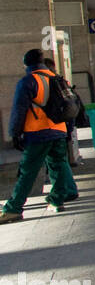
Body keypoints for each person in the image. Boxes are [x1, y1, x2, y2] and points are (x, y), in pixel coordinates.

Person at [1, 49, 78, 224]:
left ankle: (13, 209)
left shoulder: (29, 81)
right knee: (58, 166)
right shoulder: (56, 78)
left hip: (37, 133)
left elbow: (19, 110)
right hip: (59, 130)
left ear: (26, 64)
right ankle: (56, 201)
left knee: (28, 172)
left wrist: (14, 133)